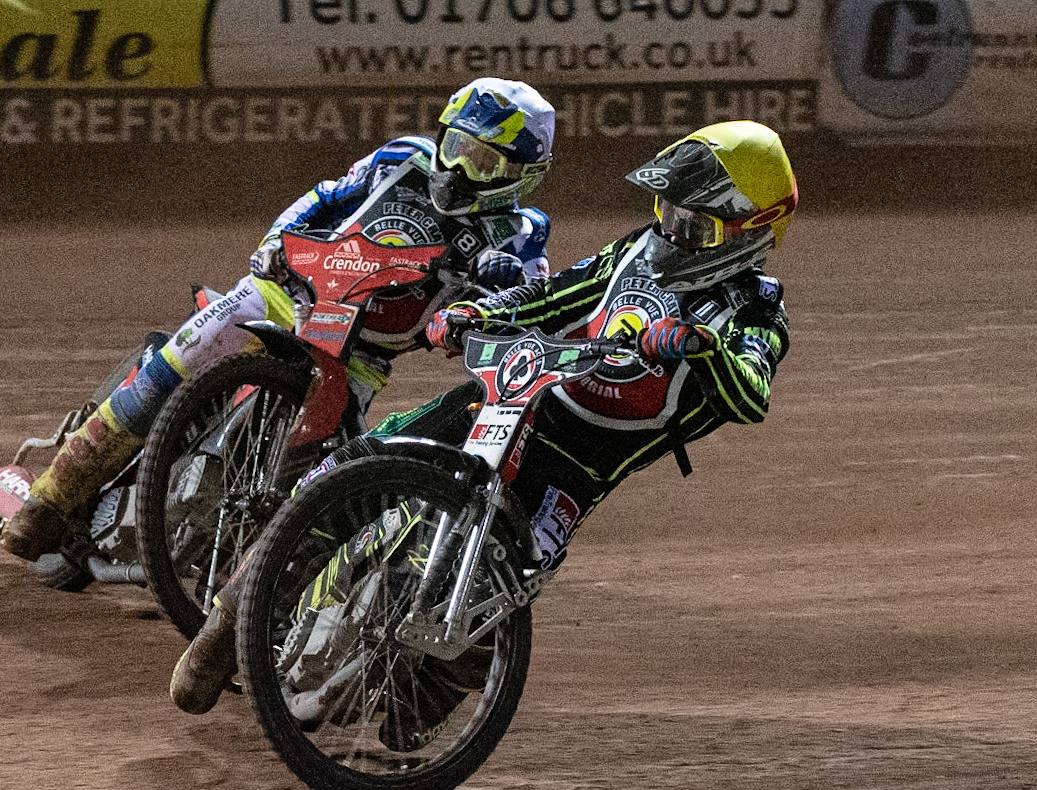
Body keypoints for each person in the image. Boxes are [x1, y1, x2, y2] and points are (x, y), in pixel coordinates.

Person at [171, 120, 796, 731]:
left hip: (579, 463)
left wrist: (697, 346)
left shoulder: (756, 307)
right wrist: (478, 311)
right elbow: (557, 295)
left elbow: (752, 392)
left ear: (752, 231)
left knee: (513, 582)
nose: (672, 232)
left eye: (695, 224)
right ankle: (225, 629)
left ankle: (420, 708)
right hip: (517, 393)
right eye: (667, 211)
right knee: (349, 469)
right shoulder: (636, 247)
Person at [0, 77, 557, 562]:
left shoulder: (523, 232)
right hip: (283, 294)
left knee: (320, 478)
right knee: (172, 367)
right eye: (456, 146)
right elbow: (323, 197)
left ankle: (241, 586)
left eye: (483, 162)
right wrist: (272, 243)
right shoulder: (399, 158)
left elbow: (534, 301)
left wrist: (504, 284)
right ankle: (49, 501)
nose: (459, 168)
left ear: (521, 176)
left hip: (362, 356)